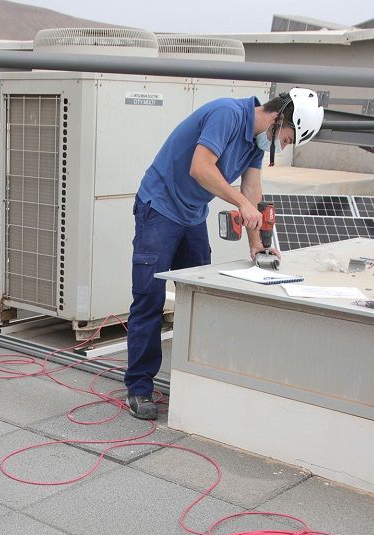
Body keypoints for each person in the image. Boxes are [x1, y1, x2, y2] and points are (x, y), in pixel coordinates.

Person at [124, 87, 325, 420]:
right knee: (149, 298)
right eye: (288, 140)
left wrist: (256, 241)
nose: (284, 147)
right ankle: (139, 387)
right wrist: (242, 205)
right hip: (158, 207)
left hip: (191, 214)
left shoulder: (256, 144)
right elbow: (200, 168)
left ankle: (193, 381)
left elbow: (252, 190)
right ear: (277, 120)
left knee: (199, 295)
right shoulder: (227, 114)